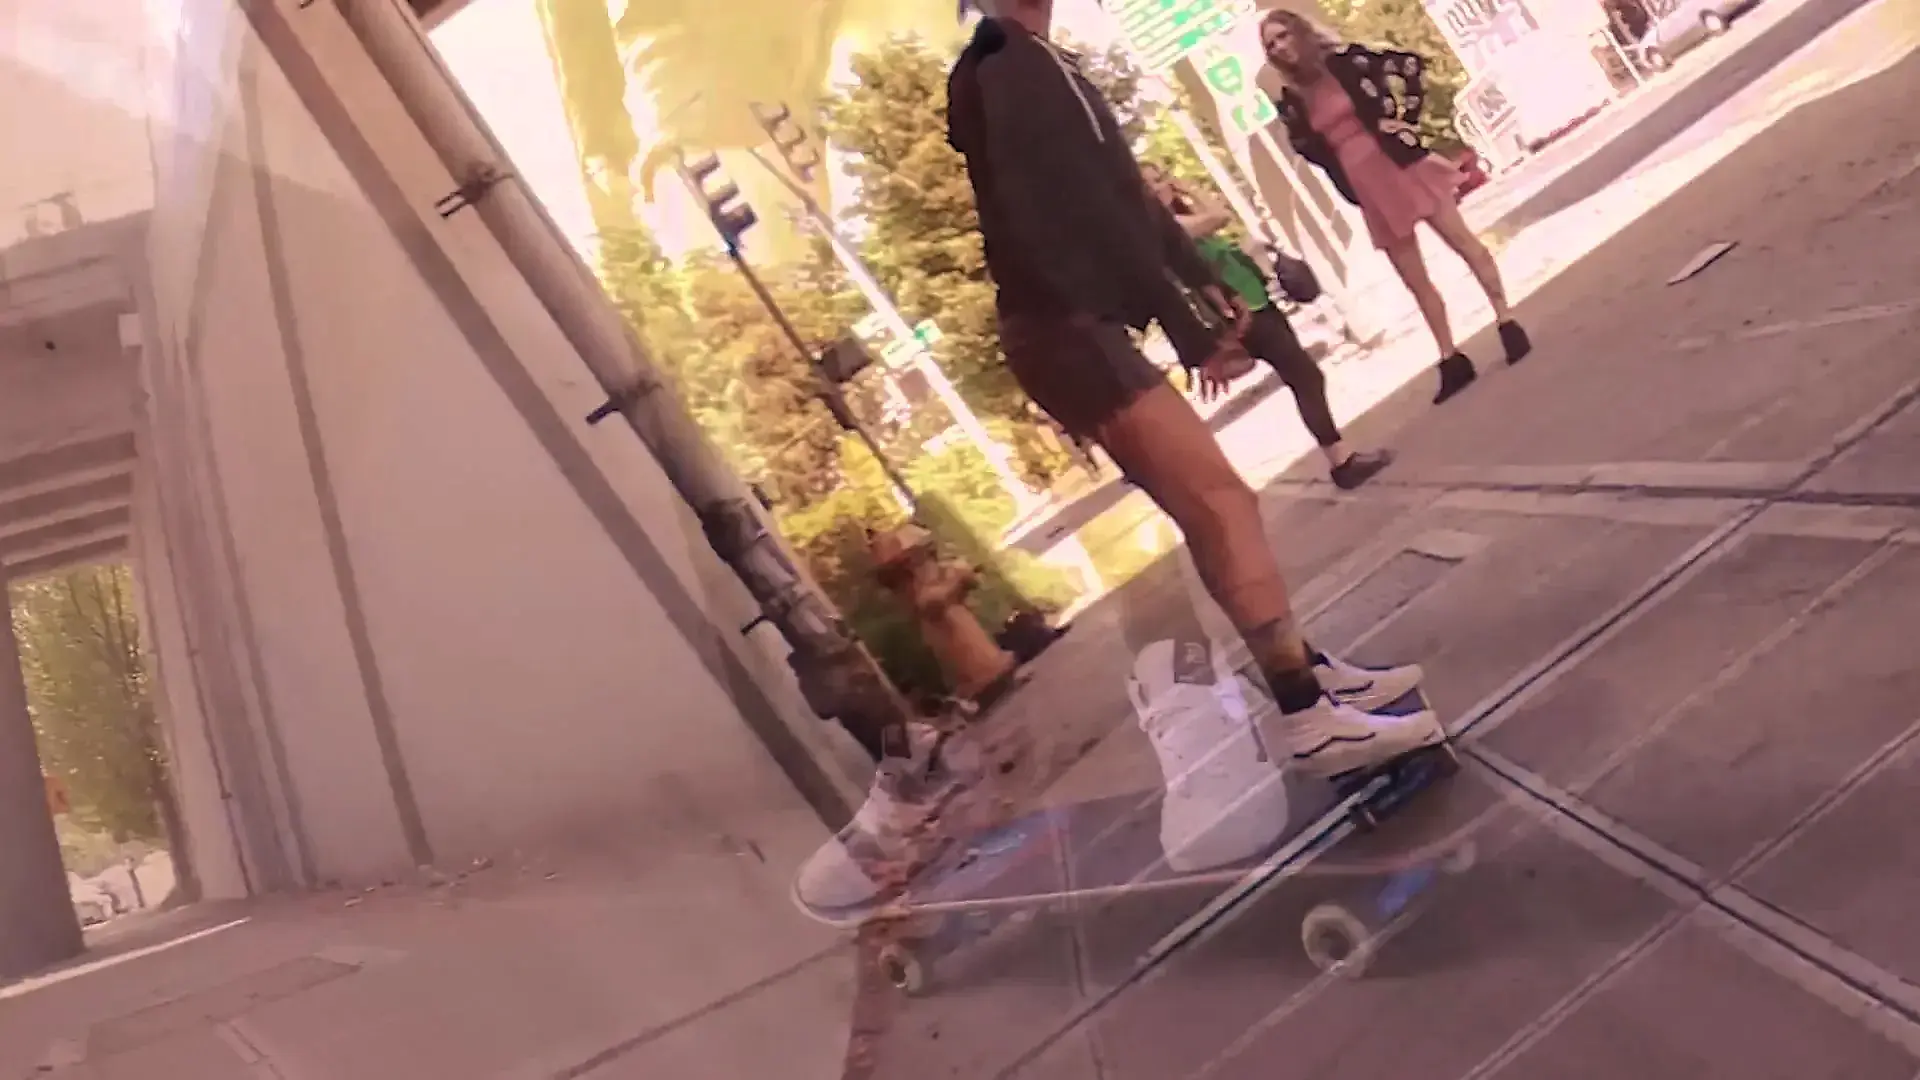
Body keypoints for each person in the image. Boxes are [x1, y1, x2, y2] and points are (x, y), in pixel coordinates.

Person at [786, 0, 1446, 918]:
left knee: (1212, 505)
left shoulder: (1028, 61)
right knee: (1221, 502)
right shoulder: (1012, 65)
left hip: (1074, 327)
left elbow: (1123, 191)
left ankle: (1307, 672)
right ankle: (1308, 714)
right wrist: (1183, 319)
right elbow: (1084, 210)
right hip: (1066, 331)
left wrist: (1194, 275)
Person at [1259, 9, 1531, 404]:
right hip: (1366, 186)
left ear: (1299, 32)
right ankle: (1450, 357)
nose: (1280, 47)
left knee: (1463, 243)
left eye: (1283, 35)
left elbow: (1409, 65)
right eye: (1271, 44)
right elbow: (1306, 148)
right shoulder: (1293, 100)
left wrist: (1405, 121)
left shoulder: (1346, 60)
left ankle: (1506, 320)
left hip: (1404, 163)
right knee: (1414, 278)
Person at [1139, 163, 1393, 490]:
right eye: (1149, 184)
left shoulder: (1176, 224)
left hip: (1257, 305)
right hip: (1242, 316)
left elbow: (1218, 218)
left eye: (1160, 179)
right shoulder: (1172, 229)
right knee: (1305, 376)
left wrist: (1188, 191)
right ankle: (1341, 462)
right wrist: (1187, 188)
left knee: (1303, 376)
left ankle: (1340, 458)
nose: (1160, 187)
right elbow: (1220, 216)